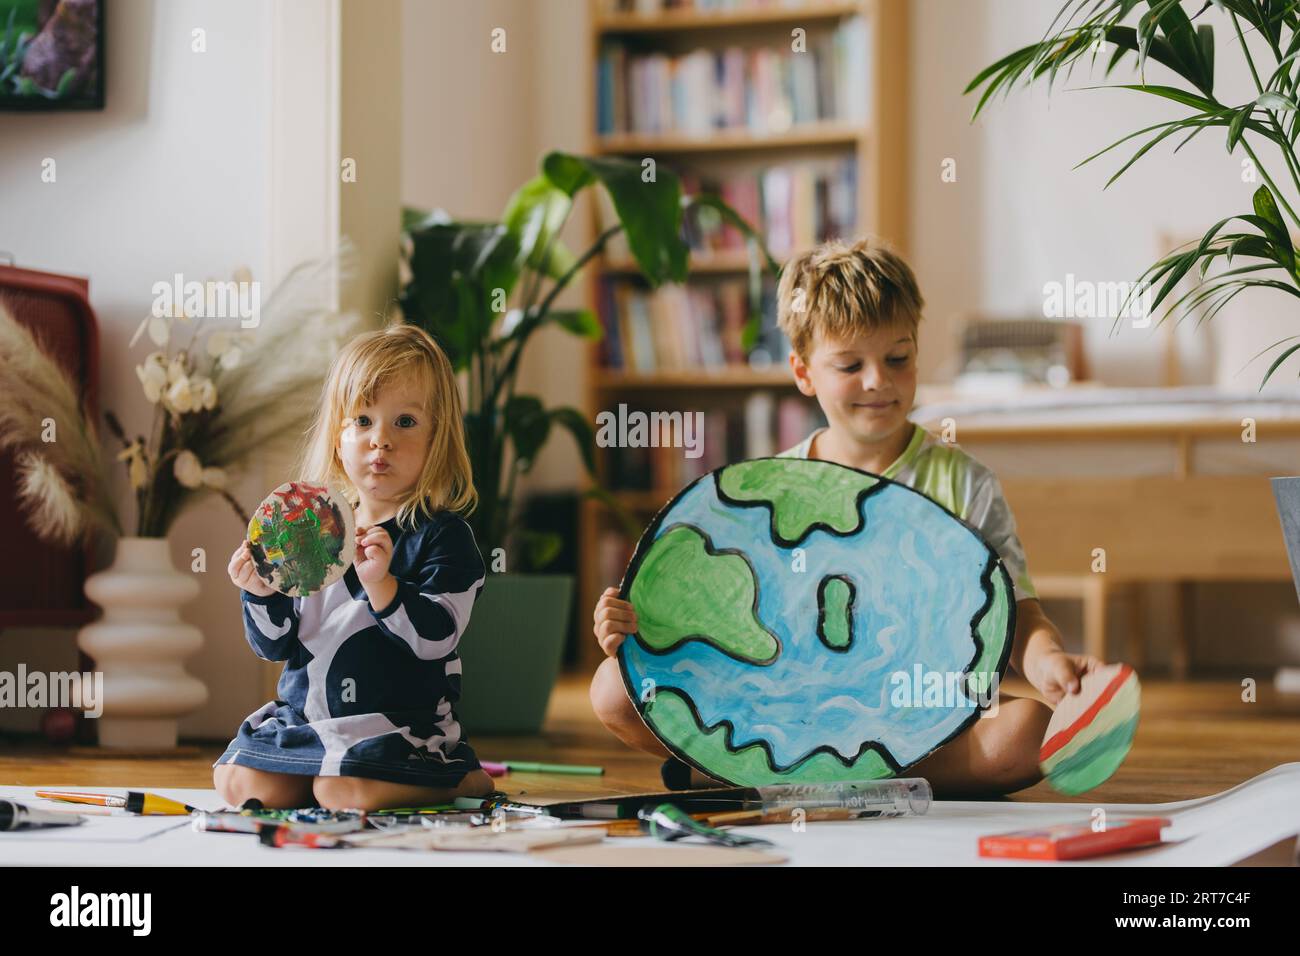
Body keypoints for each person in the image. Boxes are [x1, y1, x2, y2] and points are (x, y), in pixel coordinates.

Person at [591, 237, 1103, 796]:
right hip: (787, 708)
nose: (878, 380)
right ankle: (838, 775)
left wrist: (1048, 661)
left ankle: (783, 776)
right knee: (612, 691)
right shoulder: (764, 489)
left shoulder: (965, 481)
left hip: (927, 709)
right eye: (850, 364)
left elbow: (1018, 613)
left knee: (1029, 732)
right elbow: (712, 617)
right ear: (804, 371)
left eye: (898, 358)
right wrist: (629, 624)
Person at [214, 324, 494, 810]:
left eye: (404, 422)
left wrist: (383, 586)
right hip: (309, 719)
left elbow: (436, 639)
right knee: (240, 784)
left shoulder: (443, 537)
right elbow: (275, 643)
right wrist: (260, 591)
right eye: (362, 421)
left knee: (342, 791)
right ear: (338, 436)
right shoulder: (312, 530)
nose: (379, 441)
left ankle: (457, 779)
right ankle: (319, 774)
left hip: (398, 724)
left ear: (438, 438)